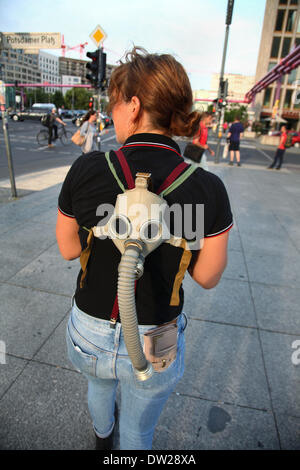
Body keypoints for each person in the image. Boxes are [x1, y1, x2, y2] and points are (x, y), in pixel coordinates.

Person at [56, 47, 233, 450]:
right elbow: (206, 277)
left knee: (98, 389)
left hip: (89, 330)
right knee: (138, 431)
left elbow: (67, 248)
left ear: (133, 106)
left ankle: (102, 440)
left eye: (115, 103)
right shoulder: (207, 188)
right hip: (157, 340)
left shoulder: (88, 169)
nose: (113, 114)